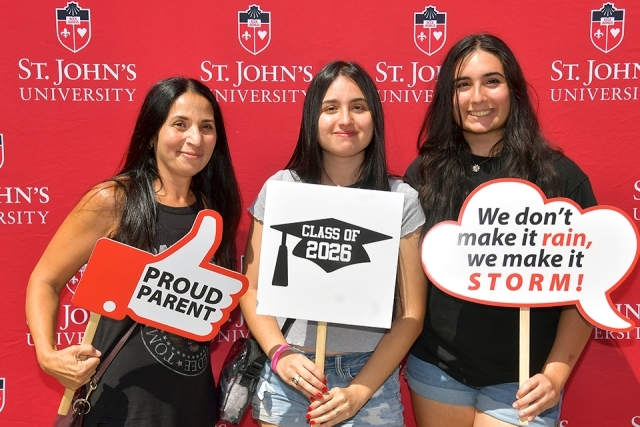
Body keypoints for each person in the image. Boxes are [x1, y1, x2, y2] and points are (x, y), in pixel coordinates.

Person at [25, 76, 242, 426]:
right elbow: (45, 280)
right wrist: (48, 356)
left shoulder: (213, 212)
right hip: (118, 409)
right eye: (180, 125)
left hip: (192, 409)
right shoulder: (114, 200)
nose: (195, 139)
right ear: (152, 131)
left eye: (207, 127)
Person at [404, 34, 596, 427]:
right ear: (448, 96)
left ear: (514, 89)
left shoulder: (560, 178)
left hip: (525, 381)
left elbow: (585, 290)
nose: (478, 97)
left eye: (492, 81)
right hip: (437, 371)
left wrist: (556, 375)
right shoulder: (423, 175)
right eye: (462, 84)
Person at [239, 60, 427, 427]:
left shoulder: (400, 199)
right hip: (291, 376)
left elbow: (412, 314)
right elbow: (252, 286)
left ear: (374, 118)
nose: (345, 119)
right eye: (330, 108)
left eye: (358, 107)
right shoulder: (282, 188)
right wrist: (281, 354)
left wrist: (360, 391)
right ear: (313, 118)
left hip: (368, 378)